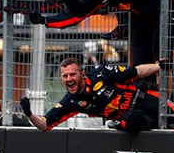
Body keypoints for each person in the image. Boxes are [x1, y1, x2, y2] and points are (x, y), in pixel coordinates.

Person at [20, 57, 160, 133]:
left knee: (173, 116)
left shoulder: (102, 73)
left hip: (149, 99)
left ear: (82, 74)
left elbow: (137, 71)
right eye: (65, 76)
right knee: (131, 119)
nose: (69, 79)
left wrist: (159, 66)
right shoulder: (71, 101)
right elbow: (44, 125)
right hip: (136, 120)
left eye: (72, 74)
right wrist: (29, 114)